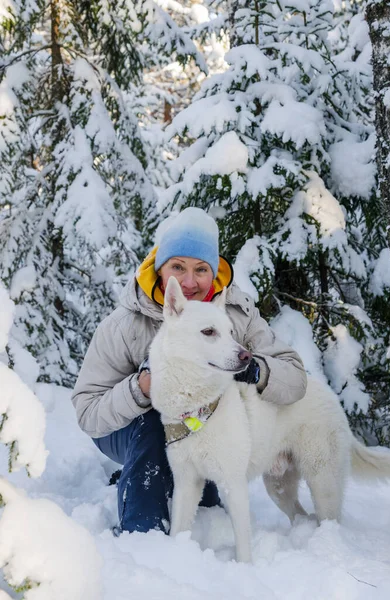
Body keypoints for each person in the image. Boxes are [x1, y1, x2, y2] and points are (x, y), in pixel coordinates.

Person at [71, 207, 307, 534]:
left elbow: (295, 379)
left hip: (199, 423)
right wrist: (140, 389)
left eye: (201, 269)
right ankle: (143, 533)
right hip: (122, 428)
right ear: (159, 269)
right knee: (157, 424)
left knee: (202, 427)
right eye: (177, 267)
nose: (189, 281)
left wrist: (256, 371)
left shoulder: (236, 316)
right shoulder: (126, 324)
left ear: (215, 273)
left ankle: (206, 523)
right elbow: (87, 412)